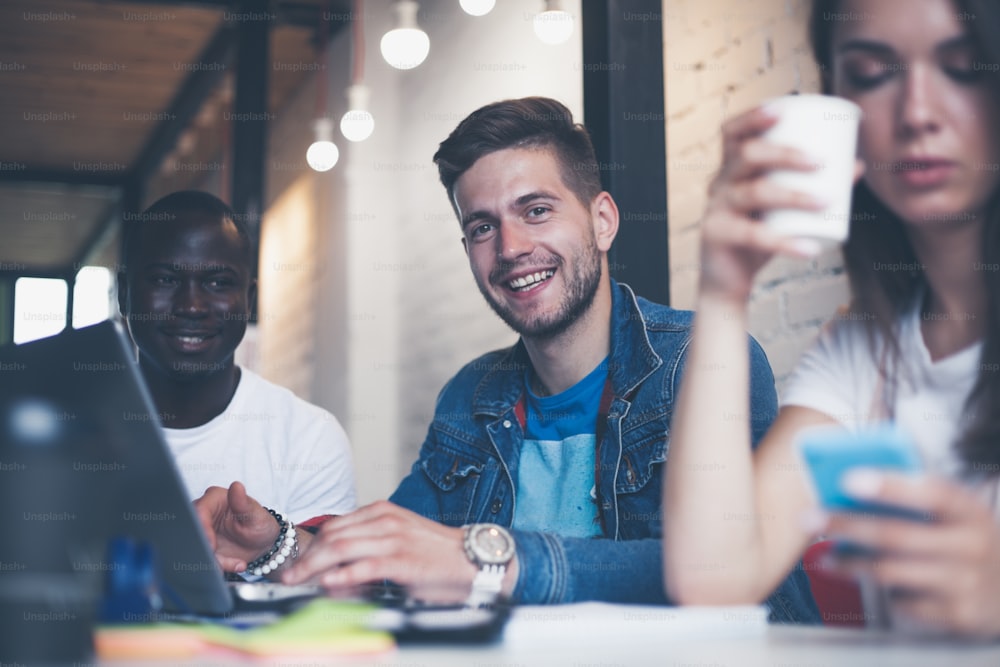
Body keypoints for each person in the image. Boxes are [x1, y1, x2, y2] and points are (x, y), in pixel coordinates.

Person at [196, 98, 818, 618]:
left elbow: (729, 575)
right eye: (482, 227)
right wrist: (278, 545)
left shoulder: (702, 362)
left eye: (537, 210)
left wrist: (484, 560)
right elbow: (400, 553)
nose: (512, 246)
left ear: (602, 221)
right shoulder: (473, 395)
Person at [663, 0, 1000, 637]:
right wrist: (721, 291)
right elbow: (714, 576)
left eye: (964, 66)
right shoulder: (860, 352)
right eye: (873, 74)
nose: (917, 113)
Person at [117, 190, 357, 531]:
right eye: (165, 280)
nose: (191, 306)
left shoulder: (308, 439)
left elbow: (321, 576)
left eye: (217, 282)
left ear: (249, 300)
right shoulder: (63, 431)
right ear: (123, 293)